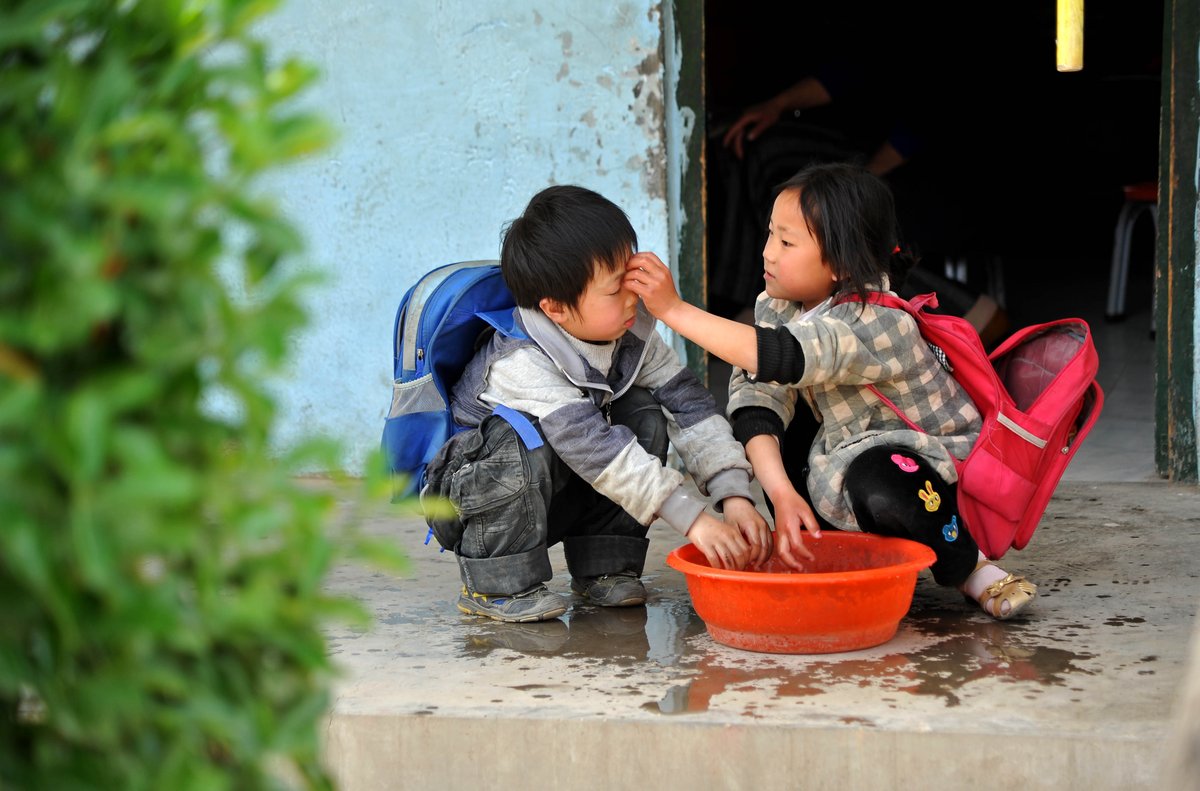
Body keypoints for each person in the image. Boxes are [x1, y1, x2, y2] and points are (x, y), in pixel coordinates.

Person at [624, 162, 1037, 620]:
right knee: (773, 423)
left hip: (929, 470)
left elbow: (783, 355)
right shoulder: (778, 304)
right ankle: (841, 546)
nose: (767, 253)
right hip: (841, 455)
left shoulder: (878, 320)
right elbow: (757, 394)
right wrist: (780, 493)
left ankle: (969, 567)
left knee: (880, 475)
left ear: (840, 263)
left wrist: (674, 310)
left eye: (786, 242)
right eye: (769, 235)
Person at [422, 184, 773, 623]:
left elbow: (690, 405)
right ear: (556, 309)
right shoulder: (522, 361)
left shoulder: (630, 335)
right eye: (614, 290)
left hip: (556, 491)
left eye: (632, 279)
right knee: (520, 440)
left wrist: (733, 493)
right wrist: (694, 519)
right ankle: (496, 585)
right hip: (479, 505)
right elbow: (596, 449)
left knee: (643, 412)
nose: (632, 298)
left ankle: (604, 567)